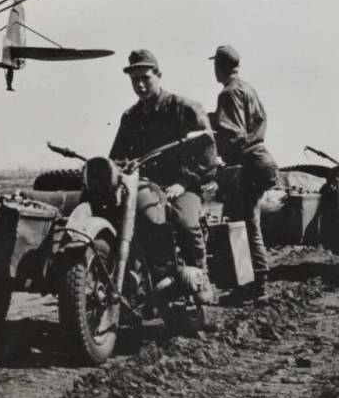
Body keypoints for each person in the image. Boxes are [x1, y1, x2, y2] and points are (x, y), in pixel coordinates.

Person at [110, 49, 218, 304]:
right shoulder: (130, 117)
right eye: (134, 79)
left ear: (158, 75)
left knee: (185, 222)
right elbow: (117, 155)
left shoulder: (184, 108)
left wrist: (185, 182)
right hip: (146, 186)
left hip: (182, 184)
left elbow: (207, 152)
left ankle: (201, 276)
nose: (140, 84)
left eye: (145, 77)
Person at [210, 44, 277, 301]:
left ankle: (254, 286)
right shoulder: (247, 88)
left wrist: (213, 141)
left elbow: (235, 134)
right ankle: (252, 284)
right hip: (261, 161)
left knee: (244, 225)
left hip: (248, 164)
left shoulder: (228, 93)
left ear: (219, 67)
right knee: (247, 223)